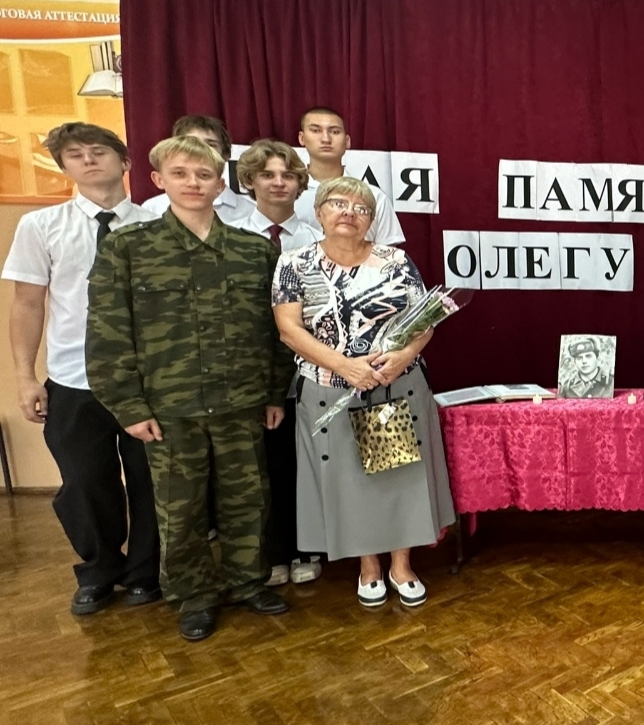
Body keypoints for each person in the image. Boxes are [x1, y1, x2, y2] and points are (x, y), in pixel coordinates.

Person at [86, 135, 293, 641]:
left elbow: (276, 331)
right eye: (180, 174)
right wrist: (128, 405)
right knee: (180, 509)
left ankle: (247, 582)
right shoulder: (128, 247)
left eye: (204, 175)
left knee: (248, 501)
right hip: (169, 407)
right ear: (159, 180)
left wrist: (274, 392)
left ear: (221, 183)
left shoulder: (253, 251)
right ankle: (193, 596)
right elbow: (108, 333)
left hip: (242, 400)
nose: (193, 183)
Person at [272, 176, 455, 610]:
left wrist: (403, 356)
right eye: (338, 203)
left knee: (397, 477)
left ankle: (401, 565)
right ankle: (368, 566)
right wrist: (345, 367)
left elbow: (424, 320)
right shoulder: (294, 263)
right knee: (348, 482)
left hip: (393, 388)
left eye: (361, 208)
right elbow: (289, 330)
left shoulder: (395, 260)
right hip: (329, 390)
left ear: (372, 219)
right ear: (319, 212)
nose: (349, 213)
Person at [4, 123, 160, 616]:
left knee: (152, 480)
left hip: (147, 379)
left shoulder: (156, 225)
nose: (89, 160)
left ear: (125, 162)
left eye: (98, 151)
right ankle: (98, 570)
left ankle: (145, 572)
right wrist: (25, 377)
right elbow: (28, 304)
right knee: (85, 483)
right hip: (74, 377)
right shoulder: (41, 226)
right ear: (64, 166)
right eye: (75, 155)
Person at [235, 139, 324, 587]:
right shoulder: (229, 238)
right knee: (260, 470)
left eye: (288, 175)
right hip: (250, 375)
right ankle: (271, 553)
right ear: (249, 181)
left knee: (302, 466)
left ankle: (307, 546)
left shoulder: (316, 241)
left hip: (306, 374)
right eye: (267, 174)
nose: (278, 183)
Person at [295, 106, 406, 246]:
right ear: (302, 138)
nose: (326, 139)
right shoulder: (287, 195)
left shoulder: (374, 197)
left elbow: (388, 255)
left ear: (347, 141)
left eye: (335, 132)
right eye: (316, 130)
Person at [140, 114, 255, 224]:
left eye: (210, 145)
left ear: (226, 154)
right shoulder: (153, 208)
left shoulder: (250, 211)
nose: (200, 151)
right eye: (191, 143)